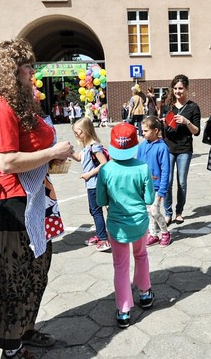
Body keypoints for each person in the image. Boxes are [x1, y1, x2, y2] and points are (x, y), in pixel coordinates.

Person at [0, 39, 74, 359]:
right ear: (8, 72)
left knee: (34, 273)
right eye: (27, 67)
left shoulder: (17, 105)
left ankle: (24, 330)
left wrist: (53, 156)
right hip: (9, 207)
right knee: (13, 282)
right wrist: (54, 151)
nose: (33, 72)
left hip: (30, 201)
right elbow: (7, 161)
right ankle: (11, 352)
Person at [96, 122, 155, 328]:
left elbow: (101, 201)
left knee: (120, 266)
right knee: (141, 255)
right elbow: (149, 199)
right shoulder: (143, 167)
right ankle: (145, 293)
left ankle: (123, 310)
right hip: (139, 222)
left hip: (116, 226)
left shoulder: (106, 170)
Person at [161, 74, 201, 224]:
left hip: (184, 149)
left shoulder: (193, 107)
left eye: (181, 88)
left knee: (181, 182)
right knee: (168, 180)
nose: (178, 91)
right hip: (168, 148)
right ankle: (168, 212)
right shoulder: (167, 106)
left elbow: (196, 131)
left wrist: (186, 122)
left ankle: (179, 211)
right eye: (176, 88)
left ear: (186, 89)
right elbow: (161, 128)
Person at [71, 117, 110, 252]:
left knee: (96, 211)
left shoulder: (94, 146)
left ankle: (103, 239)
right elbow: (78, 158)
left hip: (95, 184)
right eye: (75, 133)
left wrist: (89, 174)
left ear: (86, 131)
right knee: (94, 211)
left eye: (78, 132)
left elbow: (104, 163)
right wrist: (68, 152)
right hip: (91, 184)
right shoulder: (87, 147)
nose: (76, 135)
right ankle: (100, 234)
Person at [137, 116, 171, 247]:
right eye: (142, 130)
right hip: (145, 187)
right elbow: (138, 166)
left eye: (146, 131)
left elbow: (165, 170)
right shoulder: (141, 146)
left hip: (157, 187)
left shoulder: (162, 148)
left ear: (156, 130)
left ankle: (165, 233)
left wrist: (163, 189)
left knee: (155, 211)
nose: (143, 133)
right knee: (148, 212)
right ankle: (153, 235)